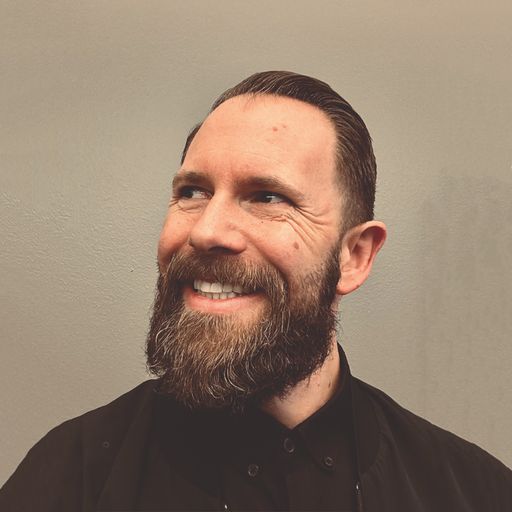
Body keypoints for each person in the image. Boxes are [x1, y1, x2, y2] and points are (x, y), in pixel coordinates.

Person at [1, 71, 511, 512]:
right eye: (192, 192)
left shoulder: (474, 493)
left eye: (267, 197)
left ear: (354, 256)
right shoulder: (68, 480)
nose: (206, 231)